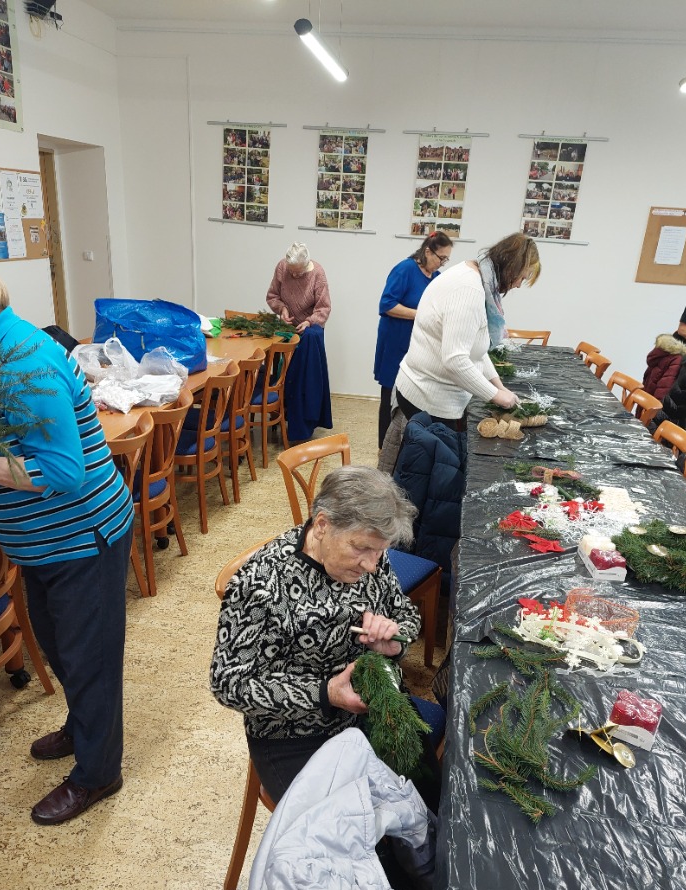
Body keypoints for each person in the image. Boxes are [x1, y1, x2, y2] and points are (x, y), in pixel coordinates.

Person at [0, 246, 133, 825]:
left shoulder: (23, 362)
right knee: (62, 648)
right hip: (42, 543)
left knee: (89, 660)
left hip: (83, 538)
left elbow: (63, 471)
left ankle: (98, 772)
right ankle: (84, 727)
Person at [210, 465, 422, 805]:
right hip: (295, 736)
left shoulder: (371, 554)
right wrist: (325, 693)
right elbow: (229, 683)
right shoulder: (262, 583)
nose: (371, 565)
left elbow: (406, 614)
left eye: (379, 552)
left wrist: (394, 641)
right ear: (322, 525)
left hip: (373, 710)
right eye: (361, 549)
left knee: (428, 803)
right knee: (360, 826)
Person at [393, 232, 541, 432]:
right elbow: (455, 360)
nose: (518, 285)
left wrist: (499, 386)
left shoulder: (477, 277)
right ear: (511, 268)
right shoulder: (469, 290)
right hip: (429, 400)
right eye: (521, 278)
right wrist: (495, 395)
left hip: (431, 394)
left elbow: (475, 349)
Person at [373, 231, 453, 449]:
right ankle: (384, 448)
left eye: (446, 259)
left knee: (411, 397)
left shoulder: (436, 278)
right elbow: (387, 305)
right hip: (395, 340)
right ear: (427, 251)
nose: (442, 263)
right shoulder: (405, 269)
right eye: (441, 258)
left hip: (417, 344)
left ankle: (406, 447)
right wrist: (420, 314)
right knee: (390, 395)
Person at [266, 242, 333, 442]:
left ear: (306, 264)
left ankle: (303, 416)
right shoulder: (282, 267)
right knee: (282, 364)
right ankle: (280, 406)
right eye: (291, 271)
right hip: (288, 326)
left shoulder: (317, 273)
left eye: (298, 272)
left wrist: (309, 321)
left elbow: (323, 308)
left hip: (310, 328)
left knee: (305, 364)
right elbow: (272, 296)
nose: (294, 275)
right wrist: (282, 309)